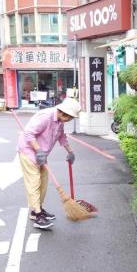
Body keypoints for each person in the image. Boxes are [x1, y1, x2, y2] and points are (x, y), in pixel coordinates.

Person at [17, 98, 80, 229]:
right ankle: (38, 216)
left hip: (42, 154)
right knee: (34, 183)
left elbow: (62, 137)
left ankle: (37, 210)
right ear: (64, 113)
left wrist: (71, 152)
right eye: (70, 117)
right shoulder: (45, 117)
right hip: (29, 152)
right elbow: (28, 134)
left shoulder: (60, 122)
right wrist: (38, 150)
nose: (70, 120)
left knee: (43, 183)